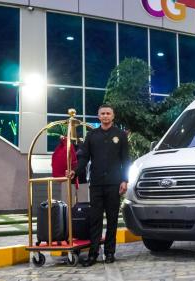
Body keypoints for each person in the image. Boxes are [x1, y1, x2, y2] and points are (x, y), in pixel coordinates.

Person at [67, 104, 129, 267]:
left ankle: (109, 253)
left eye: (108, 113)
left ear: (113, 116)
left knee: (112, 220)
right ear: (98, 116)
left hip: (114, 184)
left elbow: (126, 160)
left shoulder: (121, 135)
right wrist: (75, 171)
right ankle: (93, 254)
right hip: (96, 184)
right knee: (95, 220)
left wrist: (124, 180)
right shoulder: (92, 135)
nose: (106, 116)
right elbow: (83, 157)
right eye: (103, 113)